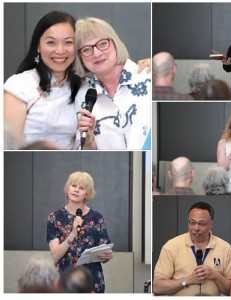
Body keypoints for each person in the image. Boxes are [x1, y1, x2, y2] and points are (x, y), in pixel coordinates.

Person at [4, 11, 150, 150]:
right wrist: (88, 141)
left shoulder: (83, 87)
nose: (60, 50)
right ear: (38, 46)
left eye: (68, 42)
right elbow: (8, 144)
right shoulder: (21, 84)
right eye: (51, 43)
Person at [75, 17, 151, 150]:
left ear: (115, 43)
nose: (97, 53)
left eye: (103, 44)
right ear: (80, 58)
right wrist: (88, 140)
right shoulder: (83, 96)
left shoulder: (148, 77)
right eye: (86, 49)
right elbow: (87, 151)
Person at [47, 171, 113, 293]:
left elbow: (104, 249)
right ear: (67, 188)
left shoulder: (97, 217)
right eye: (73, 186)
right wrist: (72, 234)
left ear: (87, 194)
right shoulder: (55, 217)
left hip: (92, 280)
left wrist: (106, 256)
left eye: (81, 188)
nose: (76, 190)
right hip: (65, 281)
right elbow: (54, 257)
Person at [153, 202, 231, 296]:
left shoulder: (225, 248)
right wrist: (188, 280)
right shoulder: (171, 246)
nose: (196, 228)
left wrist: (216, 276)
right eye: (192, 223)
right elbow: (157, 287)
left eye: (202, 224)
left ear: (211, 224)